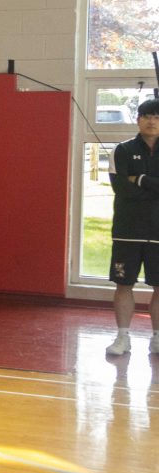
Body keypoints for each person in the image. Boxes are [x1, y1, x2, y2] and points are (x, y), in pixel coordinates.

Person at [105, 98, 159, 356]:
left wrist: (139, 179)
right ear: (138, 119)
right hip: (127, 231)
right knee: (123, 284)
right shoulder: (123, 150)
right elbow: (121, 189)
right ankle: (123, 337)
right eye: (147, 115)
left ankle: (157, 337)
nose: (152, 121)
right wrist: (152, 187)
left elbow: (131, 185)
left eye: (157, 116)